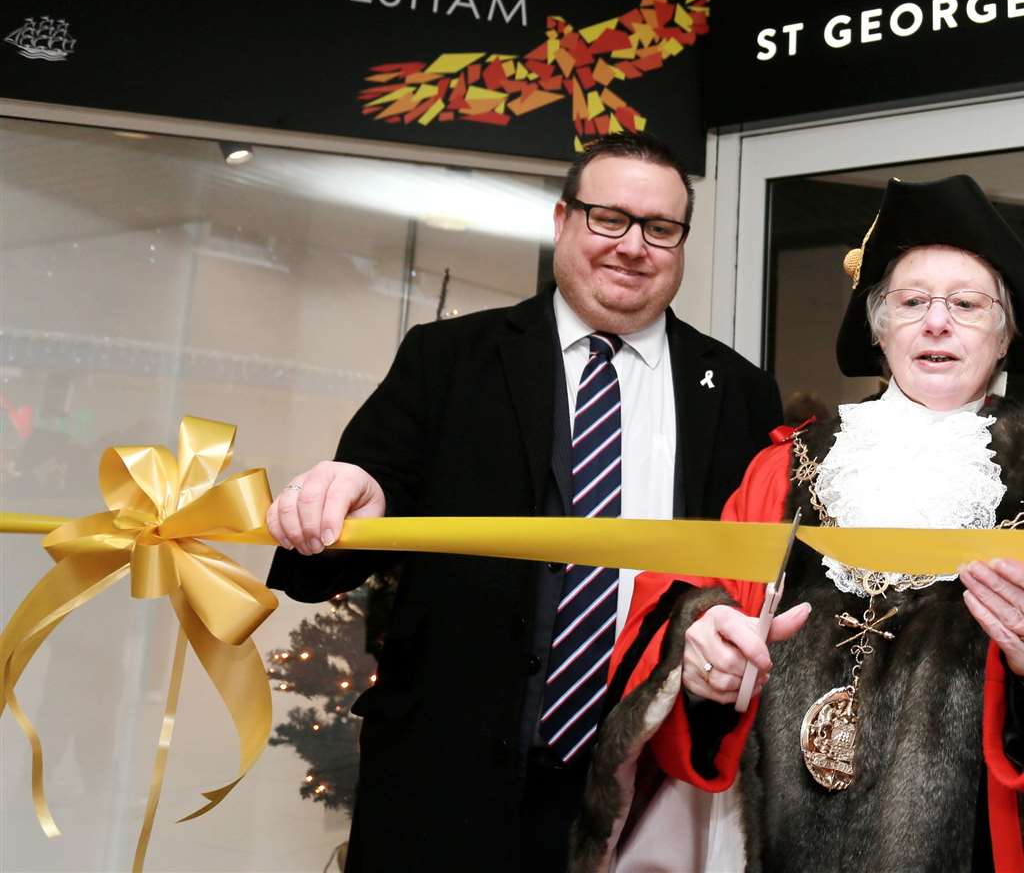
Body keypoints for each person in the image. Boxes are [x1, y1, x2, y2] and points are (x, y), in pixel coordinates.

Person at [572, 176, 1024, 873]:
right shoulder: (783, 469)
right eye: (910, 303)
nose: (937, 323)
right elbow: (687, 610)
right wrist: (701, 662)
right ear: (878, 328)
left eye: (967, 305)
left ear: (1005, 337)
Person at [263, 134, 782, 871]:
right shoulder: (448, 361)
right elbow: (362, 505)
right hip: (446, 781)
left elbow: (746, 572)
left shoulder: (735, 390)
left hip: (642, 787)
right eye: (609, 219)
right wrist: (350, 496)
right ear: (563, 220)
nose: (633, 246)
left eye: (659, 229)